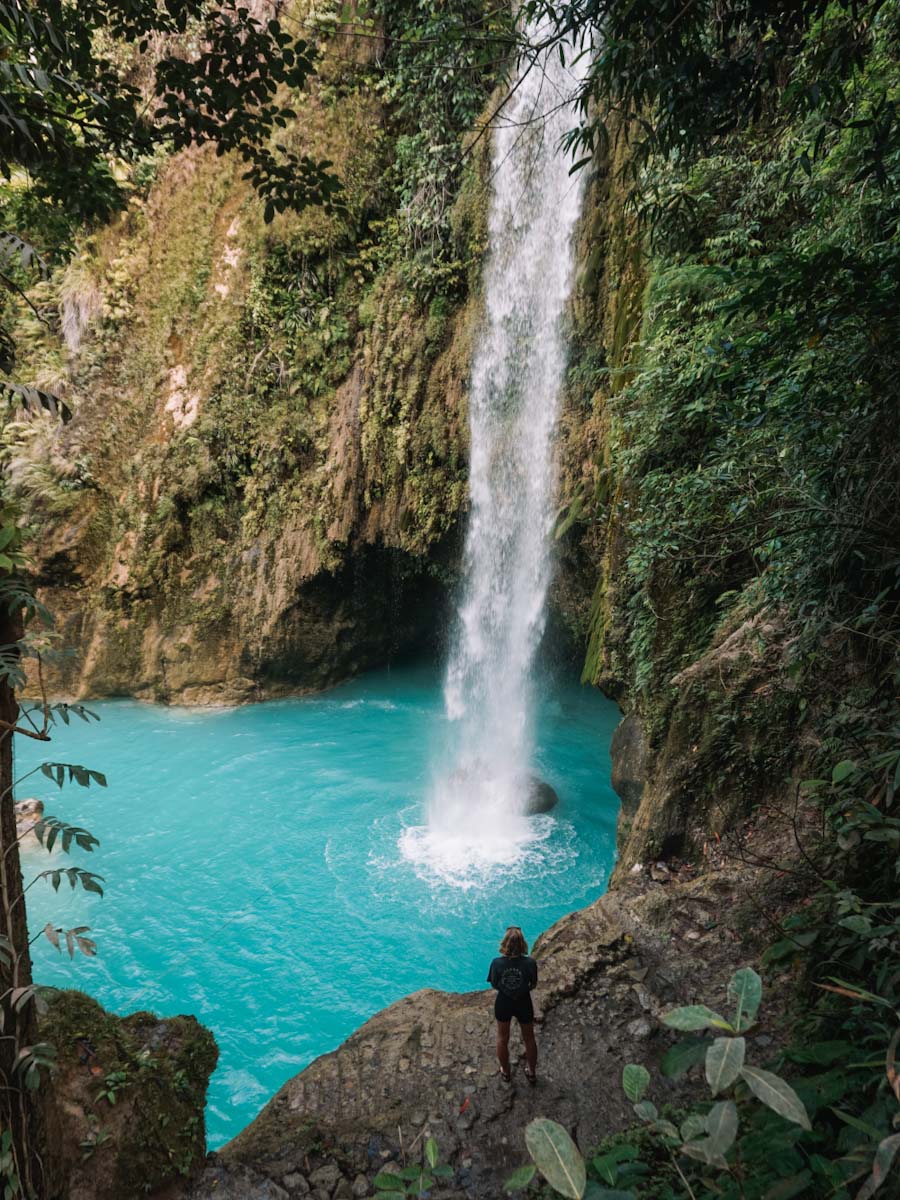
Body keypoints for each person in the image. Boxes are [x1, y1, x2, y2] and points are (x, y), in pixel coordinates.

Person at [487, 925, 538, 1084]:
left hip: (504, 1002)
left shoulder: (497, 963)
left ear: (505, 943)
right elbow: (533, 983)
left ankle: (506, 1072)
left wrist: (506, 990)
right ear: (523, 943)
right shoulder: (530, 962)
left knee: (502, 1038)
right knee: (529, 1038)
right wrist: (522, 990)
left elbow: (494, 984)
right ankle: (531, 1071)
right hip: (523, 1001)